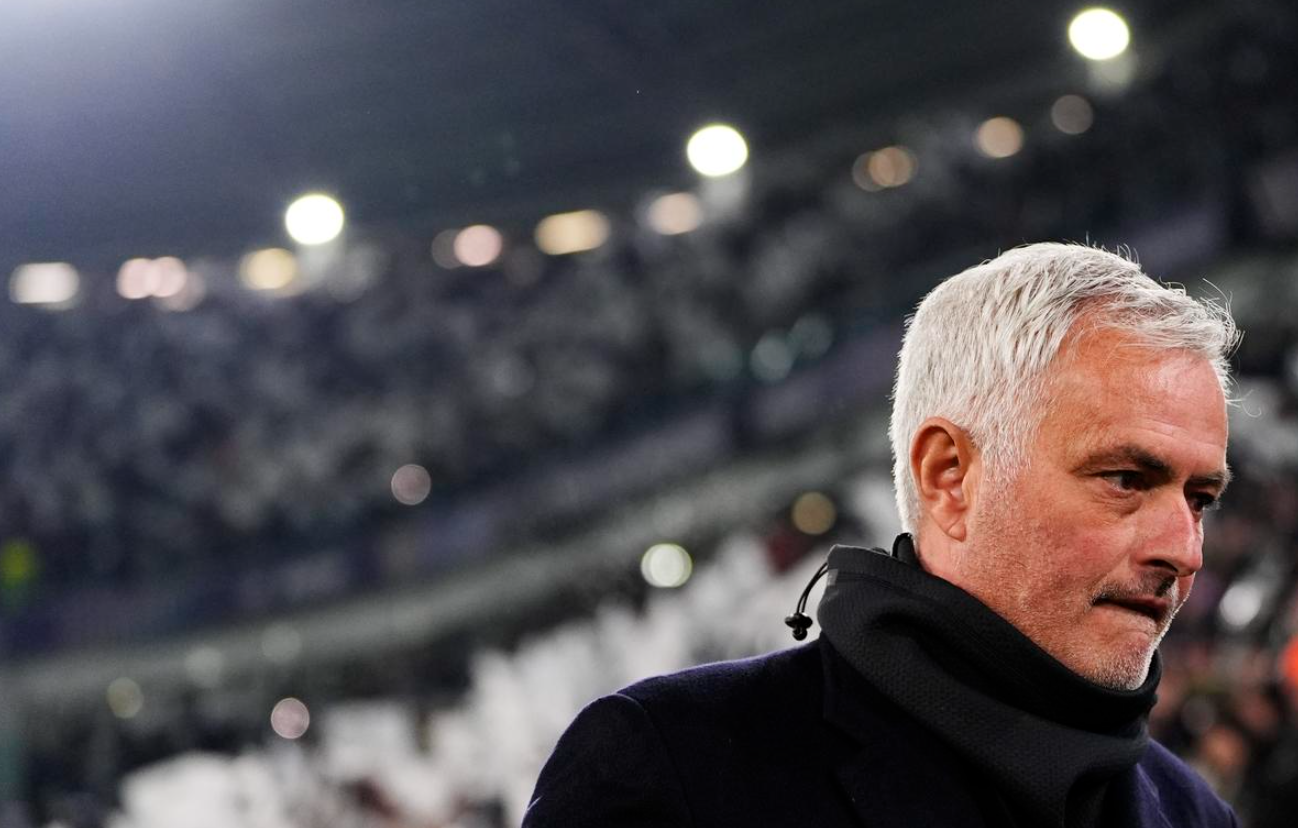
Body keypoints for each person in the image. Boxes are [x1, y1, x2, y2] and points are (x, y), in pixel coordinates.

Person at [523, 243, 1241, 827]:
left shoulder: (1195, 813)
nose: (1184, 551)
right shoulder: (675, 768)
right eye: (1125, 479)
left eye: (1200, 499)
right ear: (949, 477)